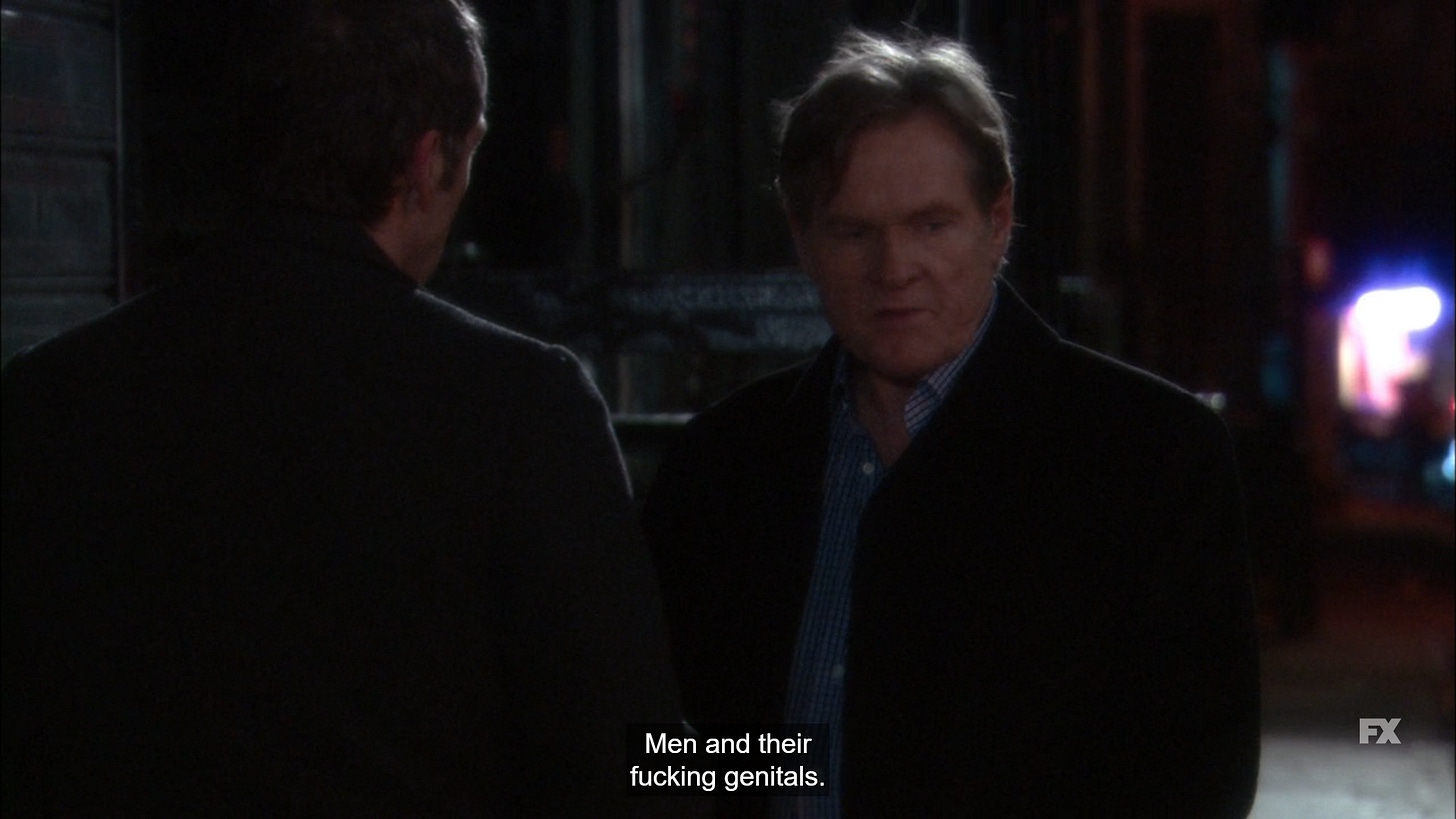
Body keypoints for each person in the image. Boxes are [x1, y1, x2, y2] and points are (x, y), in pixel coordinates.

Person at [1, 1, 680, 813]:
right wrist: (783, 760)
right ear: (426, 163)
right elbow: (633, 761)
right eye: (468, 154)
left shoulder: (45, 395)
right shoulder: (521, 407)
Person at [643, 28, 1260, 816]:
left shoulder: (1151, 456)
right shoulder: (723, 463)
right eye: (854, 232)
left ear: (998, 221)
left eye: (930, 225)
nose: (894, 269)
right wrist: (796, 770)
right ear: (801, 238)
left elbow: (1194, 780)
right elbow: (666, 755)